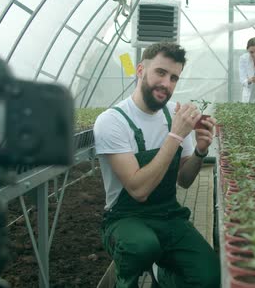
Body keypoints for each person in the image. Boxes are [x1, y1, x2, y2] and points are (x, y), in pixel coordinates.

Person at [93, 42, 220, 288]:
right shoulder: (112, 121)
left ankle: (165, 277)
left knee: (210, 276)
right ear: (140, 70)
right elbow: (138, 191)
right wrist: (174, 137)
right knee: (141, 247)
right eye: (160, 73)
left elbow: (184, 179)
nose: (167, 84)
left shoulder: (174, 113)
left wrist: (200, 152)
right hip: (125, 219)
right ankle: (124, 281)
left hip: (168, 214)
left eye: (174, 77)